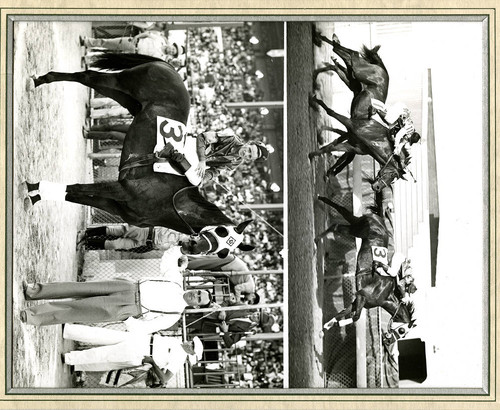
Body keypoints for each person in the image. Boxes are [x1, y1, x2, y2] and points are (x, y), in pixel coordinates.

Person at [20, 246, 213, 333]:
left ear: (196, 307)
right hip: (128, 286)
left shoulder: (175, 314)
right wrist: (183, 249)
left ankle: (33, 316)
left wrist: (127, 318)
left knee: (76, 310)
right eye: (198, 292)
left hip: (129, 307)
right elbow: (168, 259)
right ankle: (34, 291)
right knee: (78, 288)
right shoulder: (176, 280)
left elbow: (149, 328)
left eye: (198, 299)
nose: (195, 295)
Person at [62, 324, 203, 385]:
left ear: (191, 353)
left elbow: (164, 379)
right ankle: (69, 330)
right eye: (192, 342)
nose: (189, 344)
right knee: (102, 335)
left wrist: (153, 363)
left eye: (192, 346)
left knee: (104, 355)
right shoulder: (178, 342)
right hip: (141, 339)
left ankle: (70, 359)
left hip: (141, 353)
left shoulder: (179, 359)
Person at [193, 128, 270, 182]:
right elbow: (201, 137)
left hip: (196, 164)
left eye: (249, 156)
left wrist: (203, 178)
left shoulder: (237, 162)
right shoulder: (231, 138)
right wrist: (202, 160)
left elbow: (216, 170)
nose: (246, 153)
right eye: (249, 150)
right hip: (192, 147)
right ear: (249, 143)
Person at [187, 254, 257, 303]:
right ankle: (183, 263)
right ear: (253, 296)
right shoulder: (251, 288)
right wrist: (237, 302)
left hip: (229, 264)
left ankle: (183, 259)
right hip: (229, 263)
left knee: (203, 261)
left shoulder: (248, 289)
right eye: (250, 300)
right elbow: (238, 288)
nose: (247, 300)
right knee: (201, 263)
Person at [77, 224, 189, 252]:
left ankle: (87, 242)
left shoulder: (174, 244)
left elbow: (159, 247)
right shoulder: (177, 231)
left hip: (144, 243)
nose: (188, 243)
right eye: (190, 241)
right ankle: (86, 233)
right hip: (145, 232)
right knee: (115, 231)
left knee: (114, 245)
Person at [80, 32, 183, 61]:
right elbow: (147, 34)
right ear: (171, 45)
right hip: (133, 43)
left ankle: (87, 59)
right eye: (173, 48)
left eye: (173, 52)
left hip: (133, 55)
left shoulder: (161, 58)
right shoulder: (160, 39)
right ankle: (87, 42)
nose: (171, 50)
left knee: (110, 58)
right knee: (107, 42)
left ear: (171, 55)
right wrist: (136, 37)